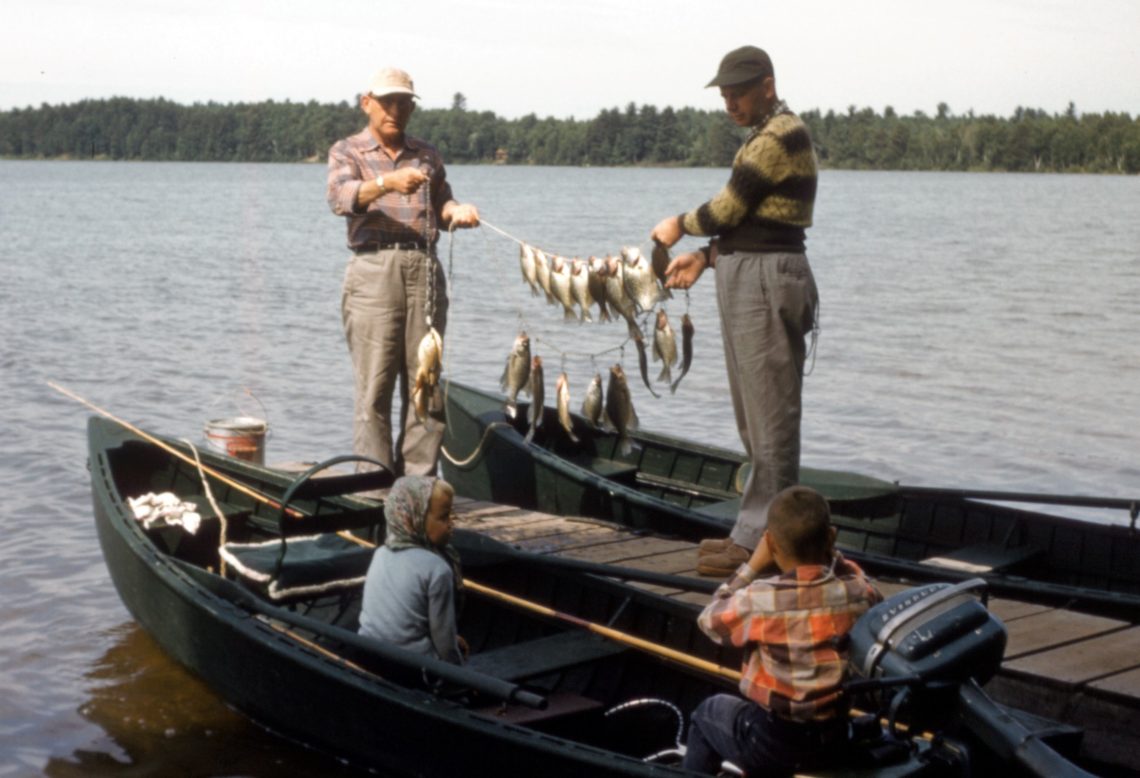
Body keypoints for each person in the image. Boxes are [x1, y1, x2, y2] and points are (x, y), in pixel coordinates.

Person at [650, 46, 819, 577]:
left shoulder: (778, 135)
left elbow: (725, 209)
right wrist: (705, 258)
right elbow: (753, 225)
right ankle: (759, 533)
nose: (729, 102)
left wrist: (679, 224)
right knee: (754, 418)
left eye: (739, 91)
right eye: (724, 93)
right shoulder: (762, 135)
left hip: (767, 284)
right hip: (751, 274)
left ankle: (769, 547)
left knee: (770, 420)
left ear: (767, 86)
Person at [327, 67, 480, 477]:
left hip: (424, 270)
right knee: (374, 390)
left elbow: (442, 204)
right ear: (367, 103)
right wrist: (388, 182)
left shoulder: (427, 154)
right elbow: (341, 198)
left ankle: (417, 493)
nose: (396, 110)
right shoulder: (347, 151)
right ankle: (374, 493)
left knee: (426, 386)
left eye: (404, 103)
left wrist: (456, 212)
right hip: (373, 270)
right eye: (387, 101)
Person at [683, 486, 882, 776]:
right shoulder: (859, 592)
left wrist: (751, 567)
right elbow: (856, 575)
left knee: (707, 713)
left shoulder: (761, 598)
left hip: (775, 742)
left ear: (771, 544)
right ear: (831, 537)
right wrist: (829, 550)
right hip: (835, 738)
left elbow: (709, 621)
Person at [358, 475, 465, 664]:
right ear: (414, 518)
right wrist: (459, 673)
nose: (451, 523)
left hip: (367, 652)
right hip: (412, 664)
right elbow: (443, 638)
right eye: (443, 517)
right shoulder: (438, 568)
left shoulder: (381, 553)